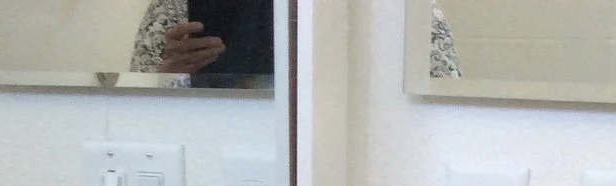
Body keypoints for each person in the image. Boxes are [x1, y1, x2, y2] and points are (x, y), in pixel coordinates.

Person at [131, 2, 462, 78]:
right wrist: (168, 79)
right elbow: (130, 126)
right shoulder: (174, 10)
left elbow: (439, 110)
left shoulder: (394, 10)